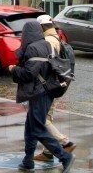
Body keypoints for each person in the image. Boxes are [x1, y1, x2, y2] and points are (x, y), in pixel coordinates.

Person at [9, 19, 73, 172]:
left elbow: (29, 73)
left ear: (27, 33)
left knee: (37, 128)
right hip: (49, 91)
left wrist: (13, 69)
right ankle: (28, 161)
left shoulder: (32, 48)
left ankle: (64, 156)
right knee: (30, 127)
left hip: (39, 92)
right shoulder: (47, 44)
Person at [34, 15, 76, 162]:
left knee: (39, 119)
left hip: (48, 85)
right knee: (47, 117)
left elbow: (44, 64)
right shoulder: (57, 37)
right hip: (57, 84)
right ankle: (47, 152)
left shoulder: (48, 41)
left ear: (41, 27)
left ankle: (66, 143)